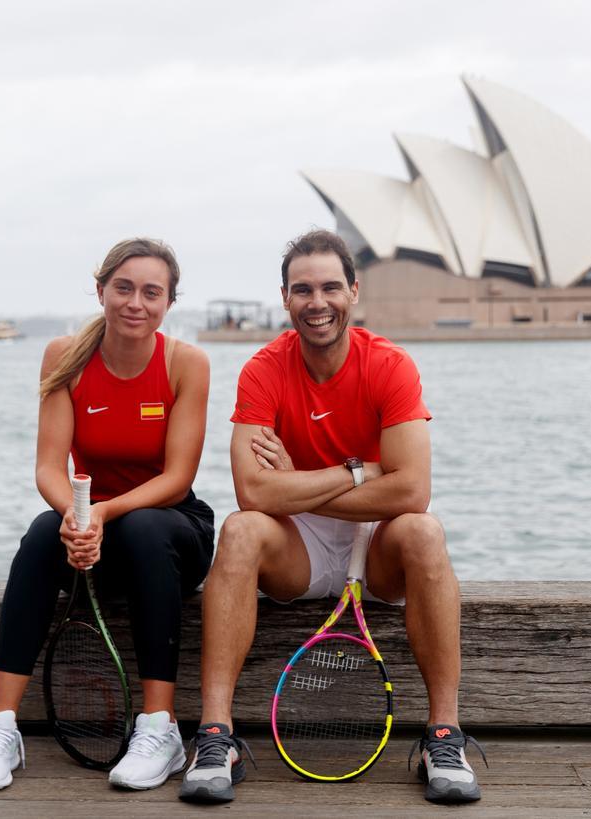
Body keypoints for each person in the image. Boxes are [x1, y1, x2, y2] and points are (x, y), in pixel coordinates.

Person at [178, 229, 485, 805]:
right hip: (301, 542)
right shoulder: (263, 369)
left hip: (381, 537)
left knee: (425, 531)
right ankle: (216, 736)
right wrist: (359, 471)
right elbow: (251, 492)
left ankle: (445, 737)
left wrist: (294, 483)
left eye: (329, 287)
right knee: (240, 531)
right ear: (285, 297)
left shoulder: (390, 365)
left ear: (353, 291)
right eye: (302, 290)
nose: (317, 302)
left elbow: (413, 492)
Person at [0, 238, 215, 792]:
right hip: (94, 528)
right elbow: (48, 467)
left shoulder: (187, 363)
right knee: (37, 536)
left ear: (169, 303)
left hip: (173, 528)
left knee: (146, 527)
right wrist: (76, 520)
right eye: (123, 288)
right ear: (101, 290)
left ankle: (160, 729)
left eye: (152, 292)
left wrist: (100, 512)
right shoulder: (63, 356)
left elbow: (176, 479)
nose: (135, 303)